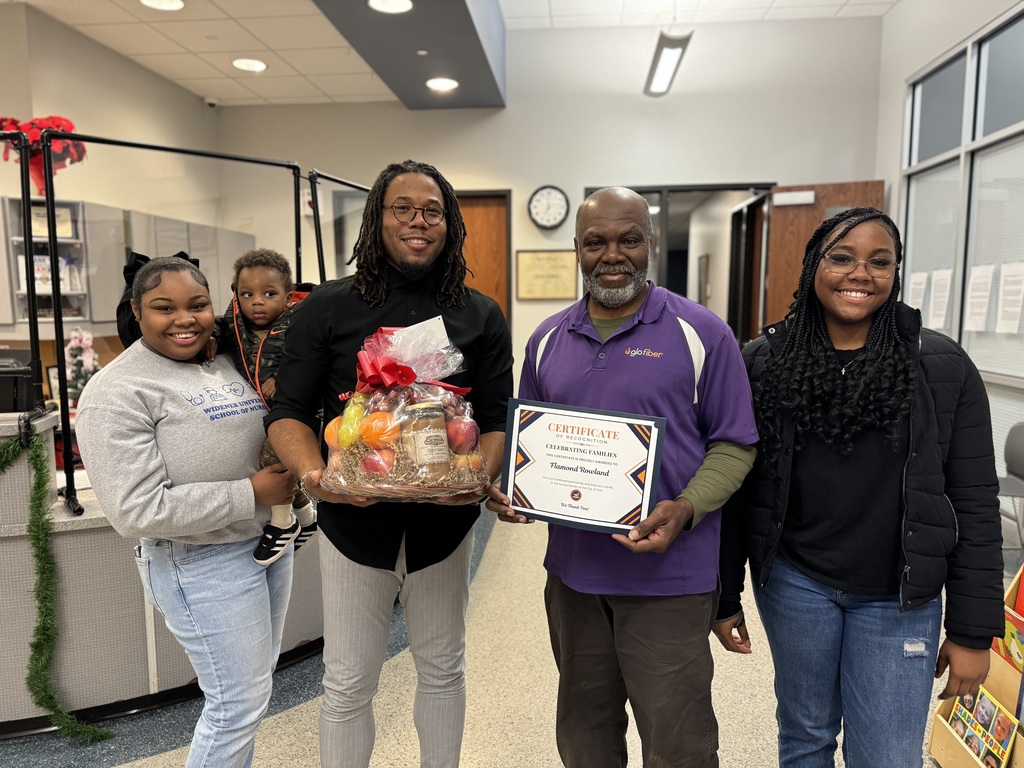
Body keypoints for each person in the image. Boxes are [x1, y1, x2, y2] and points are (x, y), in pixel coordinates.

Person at [714, 207, 1003, 768]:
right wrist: (725, 597)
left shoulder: (940, 366)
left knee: (888, 756)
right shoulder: (765, 362)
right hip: (796, 585)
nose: (860, 274)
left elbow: (973, 501)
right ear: (813, 267)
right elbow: (740, 492)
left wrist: (972, 632)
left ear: (896, 272)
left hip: (899, 595)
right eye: (842, 257)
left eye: (880, 262)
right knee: (806, 737)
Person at [485, 186, 758, 767]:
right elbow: (530, 443)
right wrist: (516, 492)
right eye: (596, 242)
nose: (613, 255)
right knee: (585, 736)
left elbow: (735, 445)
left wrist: (685, 507)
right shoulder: (546, 340)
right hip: (574, 579)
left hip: (669, 579)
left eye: (629, 239)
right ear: (577, 250)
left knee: (678, 744)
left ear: (649, 243)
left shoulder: (703, 333)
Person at [266, 159, 513, 768]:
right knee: (348, 682)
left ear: (450, 224)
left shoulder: (480, 314)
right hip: (352, 524)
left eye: (432, 210)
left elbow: (495, 420)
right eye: (402, 208)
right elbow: (288, 413)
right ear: (377, 217)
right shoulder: (326, 308)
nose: (417, 221)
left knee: (443, 669)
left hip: (444, 527)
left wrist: (477, 479)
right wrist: (316, 479)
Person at [75, 256, 297, 767]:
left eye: (197, 305)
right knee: (235, 705)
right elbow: (135, 510)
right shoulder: (116, 392)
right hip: (200, 561)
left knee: (252, 692)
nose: (184, 319)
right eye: (163, 308)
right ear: (136, 311)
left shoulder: (221, 359)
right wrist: (250, 493)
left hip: (265, 545)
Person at [216, 247, 317, 565]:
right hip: (262, 411)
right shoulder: (235, 325)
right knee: (278, 465)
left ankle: (282, 523)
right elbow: (215, 329)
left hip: (298, 412)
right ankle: (307, 517)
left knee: (273, 460)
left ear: (287, 297)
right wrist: (211, 338)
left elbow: (316, 362)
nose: (256, 302)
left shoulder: (300, 323)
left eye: (268, 294)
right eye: (247, 294)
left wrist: (285, 380)